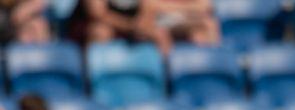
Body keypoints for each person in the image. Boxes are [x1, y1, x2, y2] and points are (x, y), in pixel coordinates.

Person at [71, 0, 219, 54]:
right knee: (100, 31)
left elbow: (147, 8)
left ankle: (165, 83)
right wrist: (130, 26)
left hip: (131, 24)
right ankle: (92, 82)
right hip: (98, 26)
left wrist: (143, 26)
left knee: (159, 33)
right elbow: (97, 14)